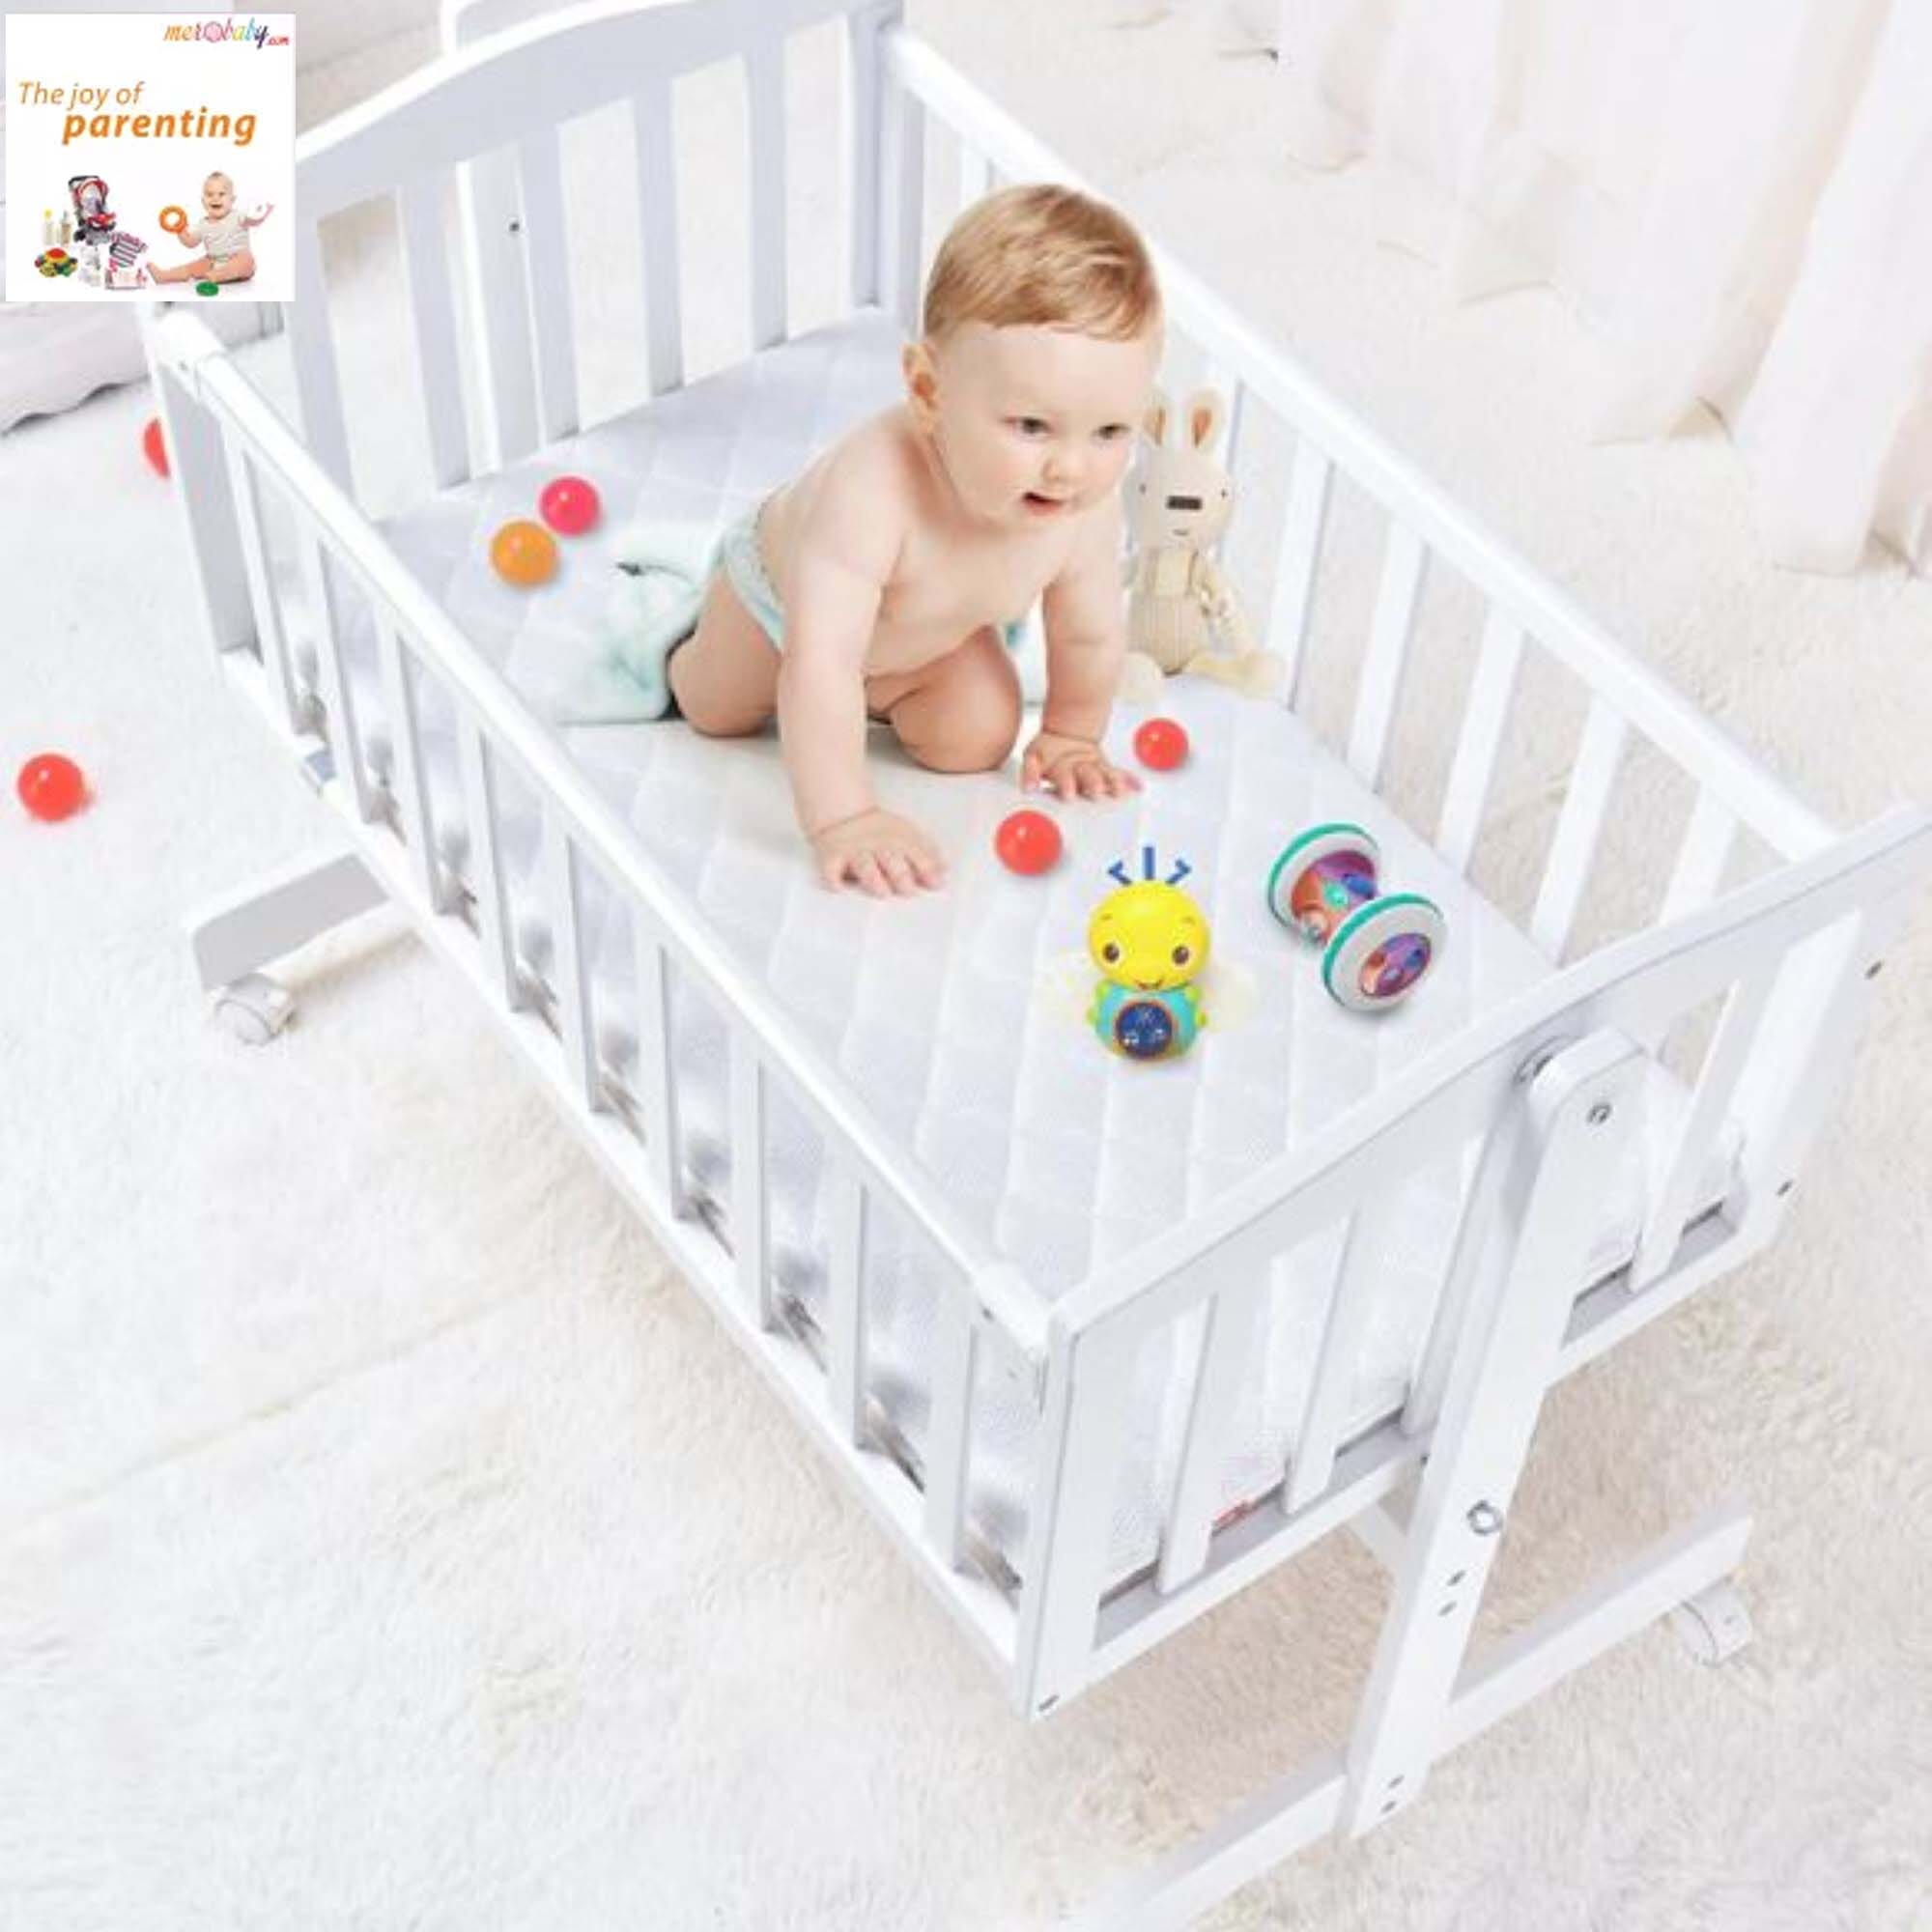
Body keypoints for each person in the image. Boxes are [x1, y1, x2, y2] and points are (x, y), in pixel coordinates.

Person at [667, 184, 1160, 897]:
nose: (1070, 468)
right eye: (1031, 426)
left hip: (927, 637)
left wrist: (1071, 736)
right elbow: (822, 660)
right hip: (782, 614)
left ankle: (876, 700)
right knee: (713, 710)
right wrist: (845, 818)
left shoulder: (1083, 506)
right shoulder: (872, 490)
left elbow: (1087, 635)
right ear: (929, 392)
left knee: (977, 738)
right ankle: (683, 636)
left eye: (1110, 431)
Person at [151, 172, 271, 286]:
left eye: (221, 194)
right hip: (214, 261)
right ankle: (164, 276)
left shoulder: (238, 216)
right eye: (209, 194)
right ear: (203, 201)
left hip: (238, 260)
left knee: (246, 261)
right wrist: (180, 230)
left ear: (232, 200)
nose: (215, 198)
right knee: (193, 267)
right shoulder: (203, 224)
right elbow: (190, 242)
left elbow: (253, 221)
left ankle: (218, 275)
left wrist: (261, 213)